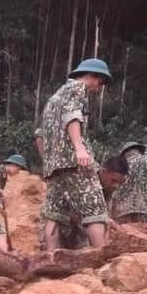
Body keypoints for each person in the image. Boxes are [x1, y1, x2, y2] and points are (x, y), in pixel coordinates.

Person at [39, 58, 113, 251]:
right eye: (100, 82)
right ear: (92, 76)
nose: (99, 88)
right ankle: (101, 254)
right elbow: (72, 116)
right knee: (95, 208)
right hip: (74, 162)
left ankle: (52, 256)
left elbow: (41, 135)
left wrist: (47, 161)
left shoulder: (54, 99)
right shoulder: (77, 89)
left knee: (54, 212)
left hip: (55, 166)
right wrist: (79, 148)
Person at [44, 155, 129, 249]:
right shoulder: (85, 179)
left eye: (120, 183)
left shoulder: (107, 187)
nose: (116, 186)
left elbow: (104, 212)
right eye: (114, 180)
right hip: (63, 217)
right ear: (103, 171)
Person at [111, 141, 147, 230]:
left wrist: (112, 213)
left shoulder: (119, 165)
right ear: (139, 150)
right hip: (145, 208)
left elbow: (112, 189)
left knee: (125, 238)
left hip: (122, 210)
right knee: (144, 236)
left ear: (124, 153)